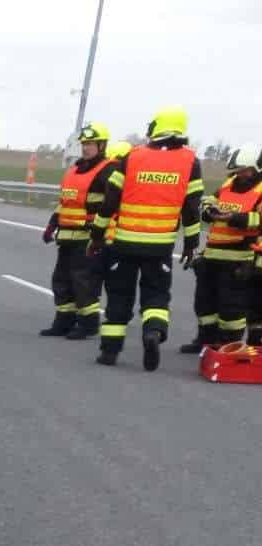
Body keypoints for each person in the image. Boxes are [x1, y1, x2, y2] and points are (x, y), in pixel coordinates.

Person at [90, 107, 204, 369]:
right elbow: (191, 208)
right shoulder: (190, 162)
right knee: (156, 294)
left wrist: (97, 235)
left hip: (124, 242)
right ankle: (153, 331)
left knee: (119, 294)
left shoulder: (133, 156)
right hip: (160, 246)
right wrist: (191, 244)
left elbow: (110, 200)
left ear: (157, 127)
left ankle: (109, 351)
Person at [184, 144, 261, 353]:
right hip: (212, 255)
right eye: (237, 171)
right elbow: (209, 200)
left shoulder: (260, 191)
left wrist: (234, 218)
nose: (239, 175)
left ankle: (228, 345)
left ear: (256, 169)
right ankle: (205, 340)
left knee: (231, 308)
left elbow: (259, 219)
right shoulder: (228, 184)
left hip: (239, 259)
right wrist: (209, 210)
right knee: (204, 302)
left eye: (244, 171)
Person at [40, 123, 112, 338]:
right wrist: (52, 225)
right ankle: (64, 321)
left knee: (83, 282)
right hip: (67, 235)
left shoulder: (108, 170)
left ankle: (88, 324)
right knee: (61, 280)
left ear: (101, 145)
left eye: (90, 144)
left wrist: (100, 235)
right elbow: (64, 203)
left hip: (88, 236)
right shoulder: (73, 171)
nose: (86, 148)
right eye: (84, 144)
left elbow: (111, 206)